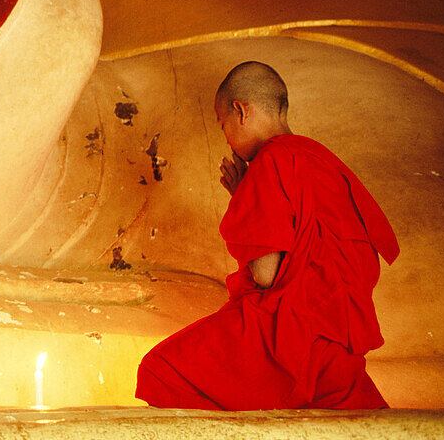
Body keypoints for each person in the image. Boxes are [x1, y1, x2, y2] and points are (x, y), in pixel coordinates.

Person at [135, 61, 399, 410]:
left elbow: (265, 275)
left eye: (222, 123)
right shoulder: (325, 162)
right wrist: (248, 198)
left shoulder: (272, 159)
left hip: (289, 335)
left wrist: (248, 199)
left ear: (241, 111)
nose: (226, 135)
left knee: (161, 371)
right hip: (339, 342)